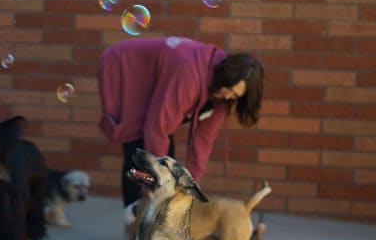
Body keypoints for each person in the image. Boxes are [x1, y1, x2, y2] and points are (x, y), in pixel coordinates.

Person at [98, 36, 263, 206]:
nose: (228, 95)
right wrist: (161, 176)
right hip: (126, 66)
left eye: (235, 95)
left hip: (157, 75)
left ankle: (151, 216)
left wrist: (190, 186)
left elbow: (203, 142)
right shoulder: (189, 75)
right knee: (138, 146)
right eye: (228, 88)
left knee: (165, 159)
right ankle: (132, 221)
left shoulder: (223, 98)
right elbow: (157, 127)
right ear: (224, 75)